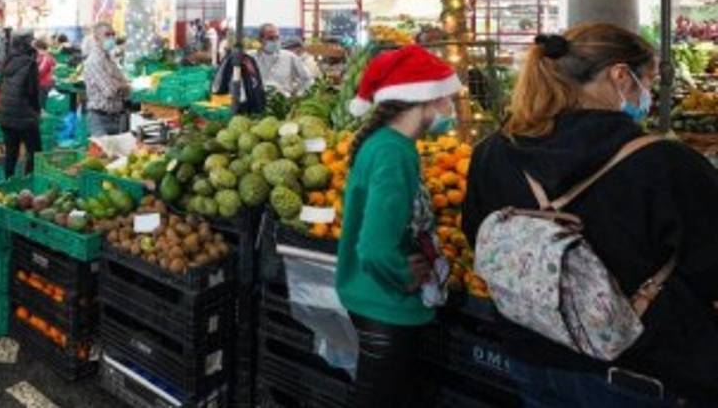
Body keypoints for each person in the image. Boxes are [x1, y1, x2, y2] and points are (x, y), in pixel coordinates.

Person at [463, 25, 718, 405]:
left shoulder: (493, 152)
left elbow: (477, 236)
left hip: (531, 355)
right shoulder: (663, 162)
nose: (649, 93)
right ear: (620, 75)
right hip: (637, 371)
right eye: (648, 80)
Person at [336, 45, 462, 408]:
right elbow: (374, 247)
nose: (450, 109)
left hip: (374, 300)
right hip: (386, 304)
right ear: (424, 99)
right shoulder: (393, 153)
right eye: (446, 98)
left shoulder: (386, 144)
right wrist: (401, 274)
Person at [0, 34, 44, 178]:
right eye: (32, 41)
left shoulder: (8, 60)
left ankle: (8, 182)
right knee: (35, 153)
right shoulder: (29, 63)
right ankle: (28, 183)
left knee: (11, 153)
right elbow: (33, 92)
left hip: (5, 114)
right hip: (24, 116)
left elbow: (0, 86)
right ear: (26, 44)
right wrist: (37, 111)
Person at [83, 23, 131, 136]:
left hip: (117, 117)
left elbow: (126, 86)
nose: (111, 38)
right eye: (107, 35)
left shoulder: (109, 60)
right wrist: (122, 85)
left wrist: (120, 84)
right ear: (96, 38)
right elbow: (110, 91)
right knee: (103, 148)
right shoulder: (94, 61)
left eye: (113, 34)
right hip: (100, 119)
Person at [256, 23, 315, 96]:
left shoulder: (289, 56)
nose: (275, 41)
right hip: (258, 100)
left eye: (277, 38)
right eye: (270, 38)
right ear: (260, 40)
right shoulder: (251, 58)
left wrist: (299, 95)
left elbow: (308, 78)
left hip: (284, 100)